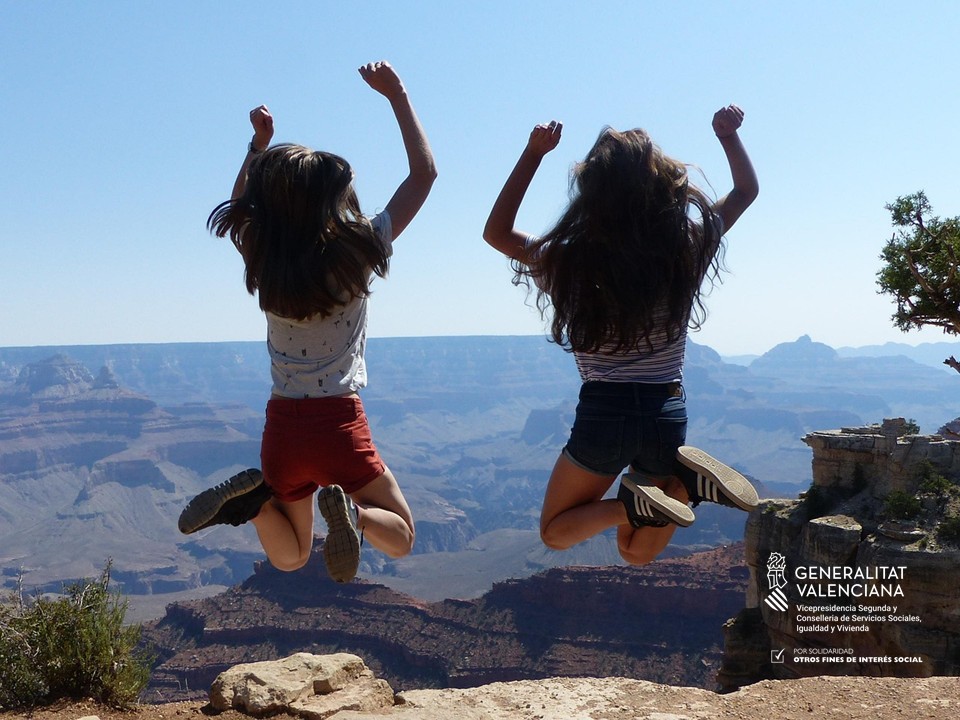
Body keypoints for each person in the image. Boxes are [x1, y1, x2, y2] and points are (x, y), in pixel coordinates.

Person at [178, 61, 437, 584]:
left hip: (283, 431)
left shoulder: (263, 254)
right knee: (403, 535)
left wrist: (257, 147)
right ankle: (357, 517)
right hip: (339, 424)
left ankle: (254, 505)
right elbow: (423, 174)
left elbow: (241, 204)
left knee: (291, 556)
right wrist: (397, 94)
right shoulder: (359, 250)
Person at [482, 106, 759, 565]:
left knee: (555, 533)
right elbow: (745, 191)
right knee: (634, 551)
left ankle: (646, 499)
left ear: (593, 193)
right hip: (665, 412)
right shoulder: (684, 250)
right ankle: (682, 488)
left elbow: (497, 233)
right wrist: (727, 137)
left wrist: (533, 155)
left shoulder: (569, 261)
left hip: (604, 415)